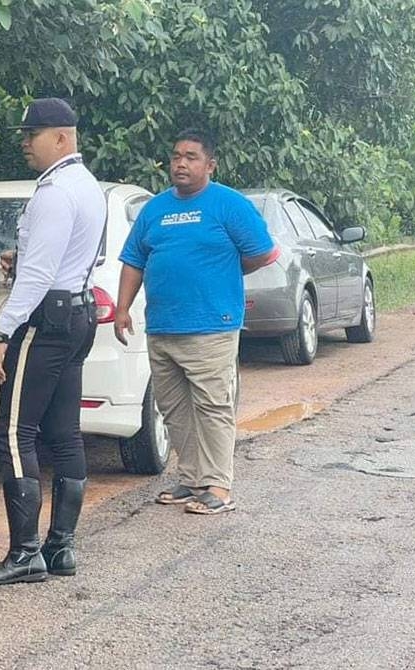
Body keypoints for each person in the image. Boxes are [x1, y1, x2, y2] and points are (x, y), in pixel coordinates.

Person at [0, 99, 106, 587]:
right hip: (79, 312)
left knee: (14, 431)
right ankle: (61, 546)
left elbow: (39, 275)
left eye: (34, 134)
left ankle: (26, 552)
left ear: (62, 138)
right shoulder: (87, 186)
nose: (26, 142)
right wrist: (23, 254)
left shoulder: (53, 192)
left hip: (46, 321)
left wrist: (1, 331)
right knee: (64, 432)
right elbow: (72, 256)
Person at [114, 128, 279, 515]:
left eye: (190, 156)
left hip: (211, 324)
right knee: (174, 408)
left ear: (210, 164)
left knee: (212, 406)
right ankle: (190, 479)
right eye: (175, 156)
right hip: (163, 325)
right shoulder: (155, 209)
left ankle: (219, 487)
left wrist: (223, 272)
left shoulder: (228, 205)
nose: (181, 163)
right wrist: (122, 309)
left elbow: (262, 253)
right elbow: (134, 261)